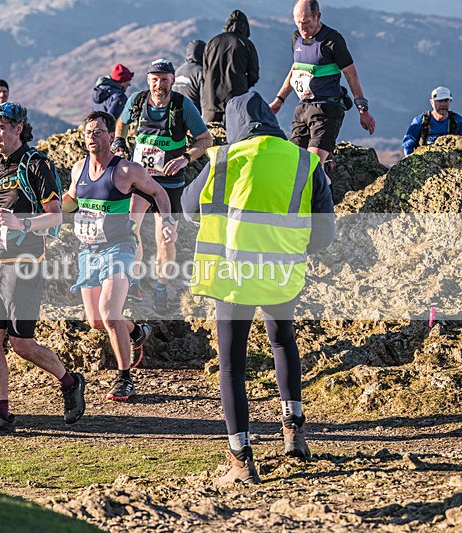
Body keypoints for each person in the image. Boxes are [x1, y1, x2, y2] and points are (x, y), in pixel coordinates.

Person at [181, 91, 335, 486]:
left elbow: (187, 206)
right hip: (283, 274)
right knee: (283, 342)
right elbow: (325, 233)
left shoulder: (224, 159)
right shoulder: (303, 160)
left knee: (232, 363)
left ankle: (241, 459)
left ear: (234, 126)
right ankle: (294, 432)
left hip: (233, 278)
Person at [0, 101, 85, 435]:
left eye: (1, 128)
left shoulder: (37, 164)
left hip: (24, 265)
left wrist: (20, 223)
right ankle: (2, 413)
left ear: (18, 128)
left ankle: (69, 381)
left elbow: (56, 215)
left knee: (21, 343)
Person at [63, 111, 176, 401]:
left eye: (98, 131)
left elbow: (159, 193)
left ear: (111, 137)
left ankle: (125, 378)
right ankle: (137, 331)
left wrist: (167, 222)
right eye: (88, 132)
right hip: (88, 250)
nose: (92, 137)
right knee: (96, 321)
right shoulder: (79, 168)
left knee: (110, 312)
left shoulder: (126, 170)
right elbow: (71, 200)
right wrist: (44, 210)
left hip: (119, 247)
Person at [113, 58, 213, 313]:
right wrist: (119, 141)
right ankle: (134, 281)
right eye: (155, 80)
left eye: (165, 79)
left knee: (165, 238)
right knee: (129, 229)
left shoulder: (182, 106)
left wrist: (185, 158)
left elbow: (205, 139)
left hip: (170, 182)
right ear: (148, 80)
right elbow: (122, 123)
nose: (160, 85)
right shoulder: (136, 101)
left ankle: (160, 287)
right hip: (141, 179)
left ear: (172, 80)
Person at [270, 0, 376, 174]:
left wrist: (363, 109)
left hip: (327, 109)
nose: (302, 28)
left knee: (311, 166)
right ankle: (326, 168)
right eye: (297, 22)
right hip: (303, 108)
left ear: (317, 17)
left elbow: (351, 75)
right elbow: (295, 70)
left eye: (306, 23)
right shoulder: (297, 37)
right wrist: (279, 100)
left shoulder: (332, 40)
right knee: (292, 165)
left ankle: (322, 179)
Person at [201, 10, 259, 124]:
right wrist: (243, 85)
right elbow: (254, 75)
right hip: (236, 99)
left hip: (211, 102)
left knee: (208, 137)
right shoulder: (246, 44)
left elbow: (205, 72)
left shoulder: (212, 42)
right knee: (235, 138)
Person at [402, 86, 462, 156]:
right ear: (431, 102)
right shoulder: (420, 121)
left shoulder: (458, 121)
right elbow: (408, 145)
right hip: (425, 163)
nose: (443, 104)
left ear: (450, 101)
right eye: (439, 101)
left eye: (446, 100)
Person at [173, 40, 206, 113]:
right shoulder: (201, 72)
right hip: (193, 115)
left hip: (176, 116)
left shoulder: (177, 72)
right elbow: (205, 101)